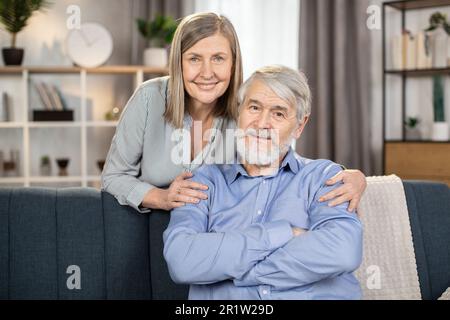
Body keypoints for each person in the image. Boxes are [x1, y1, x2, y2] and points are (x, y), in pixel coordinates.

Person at [101, 12, 366, 214]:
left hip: (216, 235)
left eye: (218, 58)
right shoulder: (150, 97)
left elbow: (284, 160)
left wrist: (350, 175)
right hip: (145, 232)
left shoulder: (246, 107)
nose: (207, 72)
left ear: (233, 63)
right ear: (179, 63)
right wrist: (161, 197)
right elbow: (113, 176)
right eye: (194, 58)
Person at [163, 65, 363, 300]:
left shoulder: (323, 177)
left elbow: (343, 251)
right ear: (239, 112)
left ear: (300, 125)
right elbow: (182, 261)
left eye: (278, 113)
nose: (261, 124)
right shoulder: (203, 182)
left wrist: (236, 268)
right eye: (254, 107)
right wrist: (283, 233)